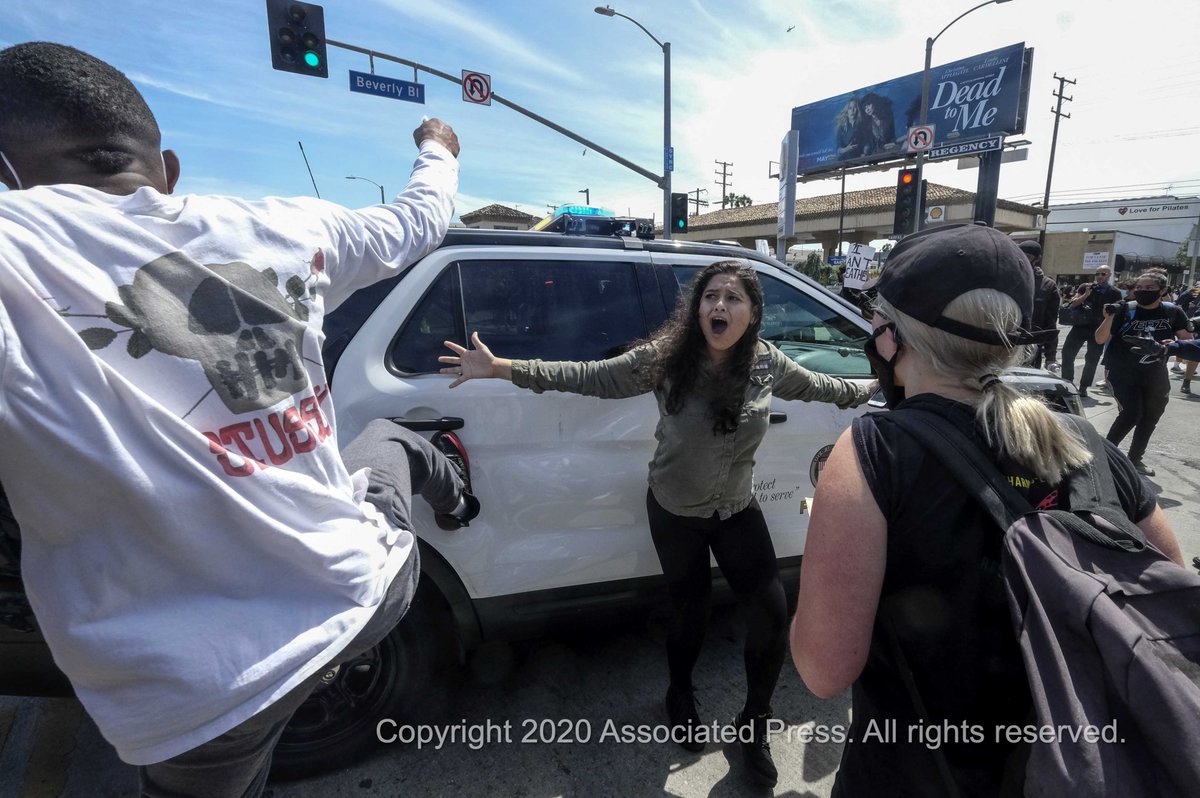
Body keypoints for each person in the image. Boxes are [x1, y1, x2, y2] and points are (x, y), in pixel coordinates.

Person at [0, 42, 473, 796]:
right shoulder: (291, 226)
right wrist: (435, 148)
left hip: (202, 693)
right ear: (168, 173)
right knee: (386, 445)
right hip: (363, 594)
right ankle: (427, 465)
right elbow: (418, 221)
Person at [439, 259, 873, 788]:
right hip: (675, 512)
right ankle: (680, 693)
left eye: (734, 298)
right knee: (688, 615)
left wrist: (874, 388)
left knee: (771, 616)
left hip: (736, 509)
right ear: (697, 308)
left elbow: (819, 386)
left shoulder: (766, 363)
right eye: (711, 296)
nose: (719, 306)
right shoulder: (666, 359)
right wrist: (501, 367)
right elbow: (588, 377)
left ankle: (753, 725)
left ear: (753, 313)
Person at [789, 223, 1185, 797]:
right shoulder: (1082, 440)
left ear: (892, 337)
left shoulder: (874, 449)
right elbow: (1162, 598)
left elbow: (823, 670)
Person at [1095, 271, 1194, 474]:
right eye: (1139, 288)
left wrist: (1174, 343)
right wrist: (1108, 318)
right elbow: (1100, 339)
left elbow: (1187, 338)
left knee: (1151, 415)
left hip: (1155, 373)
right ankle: (1104, 456)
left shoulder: (1172, 312)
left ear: (1163, 290)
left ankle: (1135, 459)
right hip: (1122, 372)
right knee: (1131, 412)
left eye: (1149, 288)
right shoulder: (1124, 309)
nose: (1143, 291)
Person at [1059, 265, 1121, 399]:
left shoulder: (1114, 292)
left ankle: (1084, 387)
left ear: (1109, 275)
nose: (1099, 276)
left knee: (1092, 359)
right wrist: (1086, 294)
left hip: (1098, 328)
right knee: (1067, 354)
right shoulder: (1085, 287)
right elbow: (1073, 304)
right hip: (1080, 326)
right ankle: (1067, 382)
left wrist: (1110, 330)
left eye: (1103, 274)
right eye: (1097, 273)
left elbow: (1117, 313)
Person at [1018, 240, 1060, 371]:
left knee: (1027, 387)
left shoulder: (1047, 286)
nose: (1023, 259)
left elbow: (1050, 323)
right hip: (1006, 344)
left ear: (1037, 258)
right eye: (1020, 255)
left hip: (1031, 345)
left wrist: (1050, 356)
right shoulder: (1008, 278)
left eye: (1028, 256)